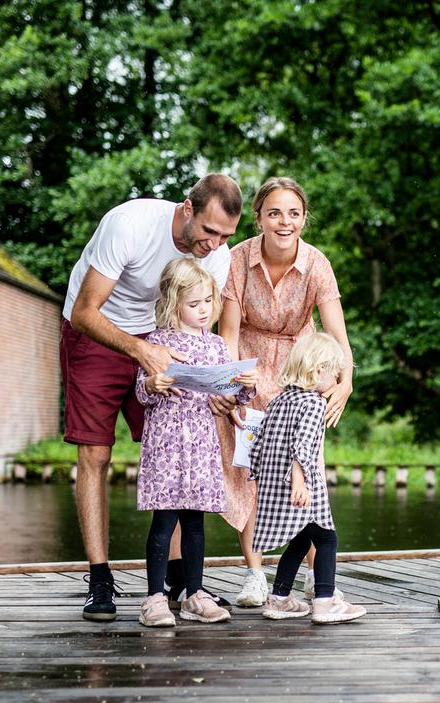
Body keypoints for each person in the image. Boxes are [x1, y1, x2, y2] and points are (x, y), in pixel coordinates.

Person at [61, 174, 242, 621]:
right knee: (96, 454)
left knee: (174, 449)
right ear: (187, 209)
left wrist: (221, 389)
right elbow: (86, 312)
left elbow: (205, 332)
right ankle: (100, 577)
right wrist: (142, 351)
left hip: (165, 339)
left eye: (226, 236)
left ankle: (181, 581)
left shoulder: (216, 257)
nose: (216, 244)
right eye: (209, 231)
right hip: (97, 333)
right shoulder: (130, 224)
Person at [214, 177, 354, 607]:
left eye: (293, 213)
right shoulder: (237, 259)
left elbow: (337, 335)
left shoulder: (317, 264)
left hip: (302, 372)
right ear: (258, 217)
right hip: (250, 371)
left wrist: (346, 380)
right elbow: (229, 333)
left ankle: (314, 576)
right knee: (248, 471)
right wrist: (235, 387)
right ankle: (256, 575)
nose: (284, 221)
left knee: (304, 468)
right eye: (274, 212)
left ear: (304, 218)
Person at [134, 258, 235, 627]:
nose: (204, 309)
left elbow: (227, 396)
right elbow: (141, 394)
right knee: (164, 522)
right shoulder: (157, 343)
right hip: (167, 444)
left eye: (208, 301)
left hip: (201, 446)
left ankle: (194, 593)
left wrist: (241, 389)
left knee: (195, 523)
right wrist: (150, 384)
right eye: (194, 304)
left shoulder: (219, 346)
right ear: (174, 303)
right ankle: (154, 598)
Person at [249, 333, 366, 624]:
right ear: (317, 371)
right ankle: (325, 603)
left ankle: (279, 599)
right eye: (335, 374)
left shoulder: (279, 400)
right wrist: (300, 482)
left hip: (274, 483)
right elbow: (302, 445)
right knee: (326, 539)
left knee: (301, 539)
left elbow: (259, 442)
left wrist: (258, 476)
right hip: (301, 485)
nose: (338, 381)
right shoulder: (313, 403)